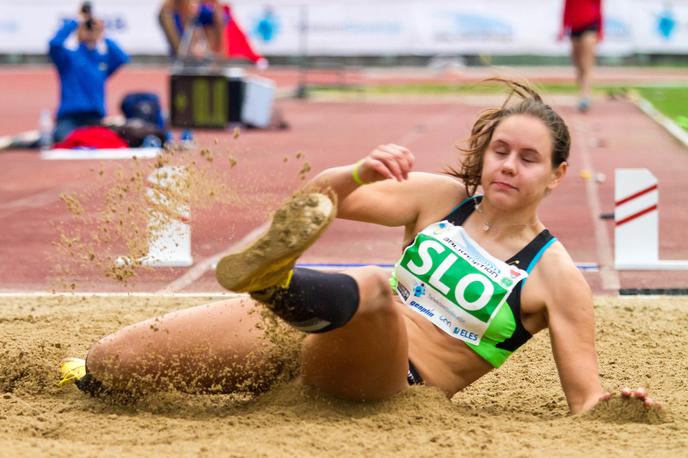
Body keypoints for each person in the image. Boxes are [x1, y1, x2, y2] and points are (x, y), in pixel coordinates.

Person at [59, 79, 656, 414]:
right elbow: (315, 204)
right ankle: (277, 288)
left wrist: (622, 406)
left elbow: (586, 401)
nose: (507, 166)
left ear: (556, 175)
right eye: (500, 151)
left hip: (391, 378)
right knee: (112, 362)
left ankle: (272, 283)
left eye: (528, 159)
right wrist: (359, 172)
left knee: (375, 287)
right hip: (311, 330)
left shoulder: (556, 276)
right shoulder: (441, 197)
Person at [48, 4, 129, 142]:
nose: (89, 31)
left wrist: (102, 34)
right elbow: (55, 44)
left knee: (109, 141)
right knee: (66, 140)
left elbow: (122, 57)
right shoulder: (68, 58)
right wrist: (76, 22)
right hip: (69, 119)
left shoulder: (101, 60)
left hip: (95, 119)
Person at [561, 0, 603, 113]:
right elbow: (566, 9)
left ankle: (585, 96)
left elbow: (600, 9)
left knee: (587, 64)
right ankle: (582, 92)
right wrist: (563, 29)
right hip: (574, 28)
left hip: (590, 26)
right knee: (578, 64)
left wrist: (600, 31)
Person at [158, 0, 226, 60]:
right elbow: (177, 45)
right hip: (183, 55)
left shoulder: (203, 11)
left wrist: (208, 48)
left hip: (200, 53)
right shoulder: (168, 13)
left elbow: (220, 17)